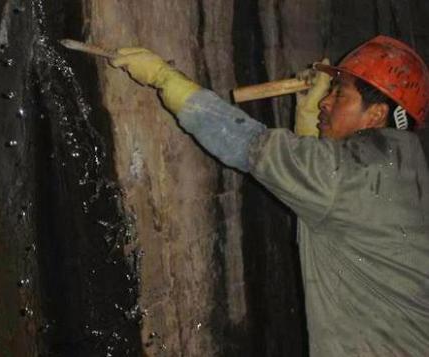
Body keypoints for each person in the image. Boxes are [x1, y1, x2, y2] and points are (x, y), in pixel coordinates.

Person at [111, 36, 429, 356]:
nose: (325, 103)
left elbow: (247, 143)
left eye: (339, 94)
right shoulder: (404, 170)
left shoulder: (348, 174)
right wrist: (309, 122)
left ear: (375, 115)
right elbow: (330, 201)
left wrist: (164, 78)